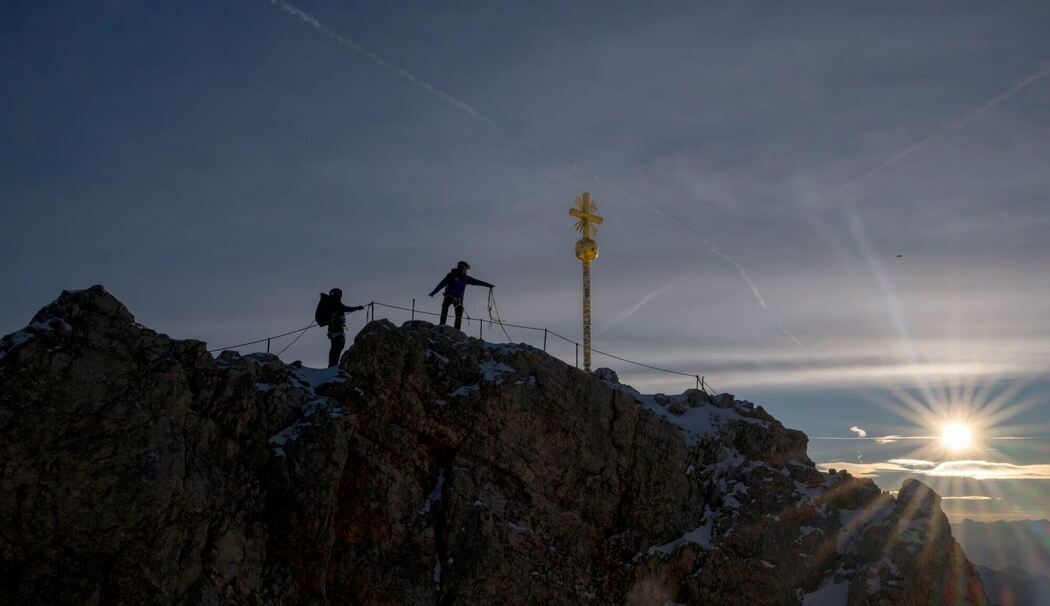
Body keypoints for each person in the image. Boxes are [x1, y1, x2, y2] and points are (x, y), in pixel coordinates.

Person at [428, 261, 494, 330]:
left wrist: (488, 285)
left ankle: (456, 331)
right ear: (461, 267)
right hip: (449, 297)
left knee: (458, 316)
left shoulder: (465, 278)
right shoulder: (451, 276)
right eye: (465, 268)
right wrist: (433, 293)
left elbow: (477, 282)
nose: (466, 270)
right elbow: (441, 284)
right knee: (445, 310)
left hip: (459, 300)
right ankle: (442, 326)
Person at [323, 288, 365, 367]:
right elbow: (346, 309)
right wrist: (357, 308)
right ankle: (333, 365)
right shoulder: (336, 304)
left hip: (333, 331)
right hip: (337, 330)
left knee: (335, 348)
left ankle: (332, 365)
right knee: (337, 347)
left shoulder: (330, 305)